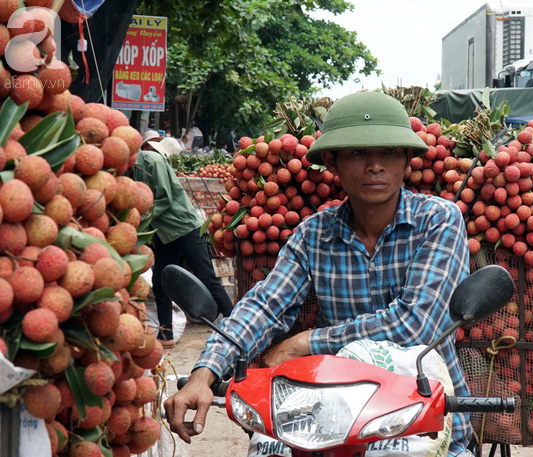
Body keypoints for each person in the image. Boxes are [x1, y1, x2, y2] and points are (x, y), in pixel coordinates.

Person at [163, 91, 474, 456]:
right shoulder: (315, 234)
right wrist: (204, 373)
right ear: (332, 161)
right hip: (333, 422)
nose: (375, 165)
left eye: (389, 152)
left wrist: (305, 342)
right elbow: (264, 306)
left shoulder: (439, 220)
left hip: (426, 421)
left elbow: (417, 324)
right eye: (358, 153)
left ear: (407, 161)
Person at [132, 137, 234, 348]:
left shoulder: (152, 161)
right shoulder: (130, 169)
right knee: (160, 283)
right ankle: (166, 334)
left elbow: (165, 198)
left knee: (208, 278)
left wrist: (139, 221)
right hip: (164, 233)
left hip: (185, 227)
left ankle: (236, 325)